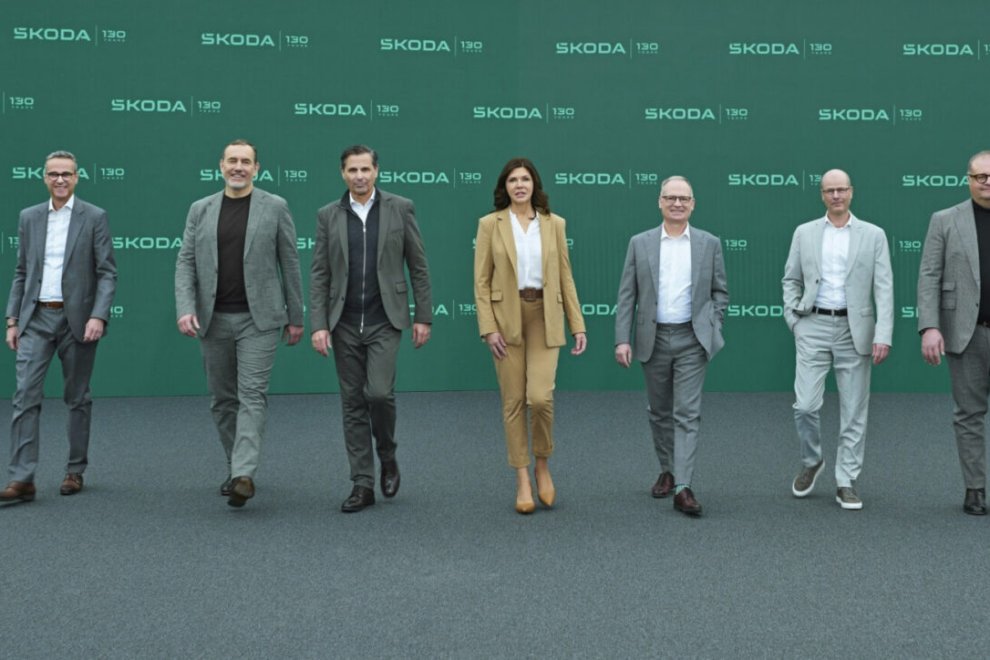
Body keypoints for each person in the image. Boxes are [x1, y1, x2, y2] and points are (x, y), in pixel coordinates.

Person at [174, 139, 303, 508]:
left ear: (256, 168)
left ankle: (244, 473)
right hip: (212, 320)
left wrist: (296, 316)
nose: (238, 167)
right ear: (221, 166)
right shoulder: (200, 209)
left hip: (259, 320)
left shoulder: (275, 206)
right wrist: (185, 307)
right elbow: (185, 262)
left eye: (246, 162)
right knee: (222, 400)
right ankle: (235, 467)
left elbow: (289, 263)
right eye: (232, 160)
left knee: (252, 395)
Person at [310, 145, 432, 513]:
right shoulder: (328, 215)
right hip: (343, 322)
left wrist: (423, 316)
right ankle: (362, 482)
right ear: (342, 174)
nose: (359, 176)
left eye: (365, 169)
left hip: (385, 320)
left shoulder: (400, 208)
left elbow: (418, 266)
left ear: (376, 171)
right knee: (352, 403)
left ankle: (388, 455)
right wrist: (319, 324)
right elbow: (320, 274)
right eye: (352, 170)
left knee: (378, 394)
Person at [0, 150, 117, 504]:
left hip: (77, 321)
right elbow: (22, 272)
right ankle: (22, 478)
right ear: (44, 178)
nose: (60, 179)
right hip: (35, 319)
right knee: (24, 396)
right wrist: (12, 319)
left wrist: (98, 315)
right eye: (54, 174)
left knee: (77, 397)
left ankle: (75, 470)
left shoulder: (94, 216)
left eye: (66, 173)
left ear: (77, 177)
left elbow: (107, 272)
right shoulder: (29, 217)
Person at [474, 157, 587, 515]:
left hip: (544, 315)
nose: (519, 185)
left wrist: (577, 324)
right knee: (512, 402)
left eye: (525, 179)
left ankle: (542, 464)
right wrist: (488, 328)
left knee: (539, 398)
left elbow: (566, 276)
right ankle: (522, 477)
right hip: (505, 318)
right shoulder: (490, 224)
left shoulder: (554, 224)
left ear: (534, 184)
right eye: (512, 180)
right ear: (504, 187)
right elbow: (481, 282)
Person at [615, 176, 727, 517]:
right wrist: (622, 338)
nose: (677, 203)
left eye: (683, 198)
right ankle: (668, 469)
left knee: (687, 413)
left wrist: (713, 325)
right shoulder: (640, 243)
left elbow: (720, 292)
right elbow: (627, 295)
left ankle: (683, 487)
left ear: (693, 204)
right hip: (653, 338)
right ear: (660, 202)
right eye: (670, 197)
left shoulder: (709, 243)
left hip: (693, 339)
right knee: (660, 412)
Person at [783, 169, 893, 511]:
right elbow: (791, 279)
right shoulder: (804, 232)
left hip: (855, 330)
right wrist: (794, 321)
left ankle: (846, 480)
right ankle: (812, 460)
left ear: (851, 192)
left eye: (841, 189)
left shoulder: (873, 235)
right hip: (812, 324)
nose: (836, 196)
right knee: (805, 405)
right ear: (822, 195)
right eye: (829, 190)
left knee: (854, 410)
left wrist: (883, 333)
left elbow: (884, 288)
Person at [918, 150, 990, 515]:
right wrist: (930, 326)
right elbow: (929, 275)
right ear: (968, 179)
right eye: (980, 177)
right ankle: (975, 489)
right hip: (966, 332)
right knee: (968, 415)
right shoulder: (945, 220)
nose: (987, 183)